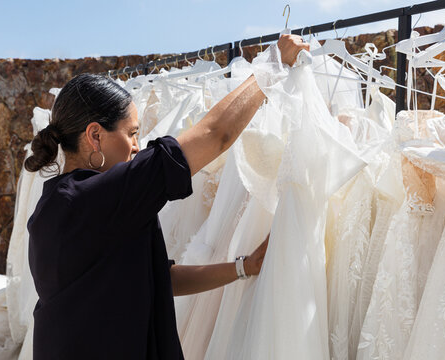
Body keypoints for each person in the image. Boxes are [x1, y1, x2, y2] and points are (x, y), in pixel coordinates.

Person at [25, 34, 309, 359]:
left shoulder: (55, 203)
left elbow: (160, 278)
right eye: (131, 133)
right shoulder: (98, 197)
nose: (136, 145)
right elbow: (216, 135)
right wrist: (274, 64)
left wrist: (245, 267)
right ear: (95, 136)